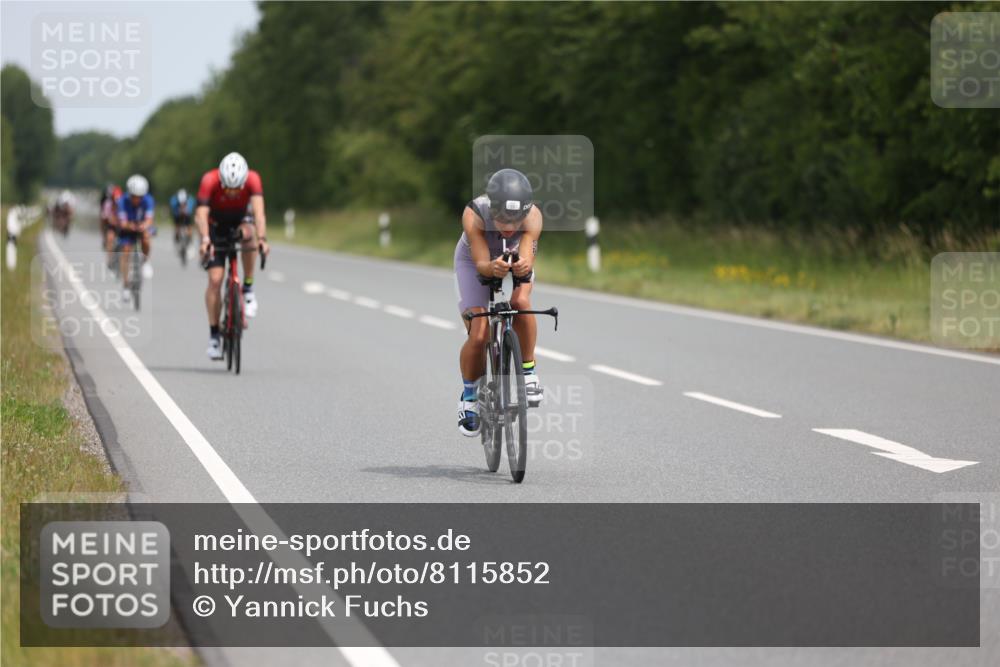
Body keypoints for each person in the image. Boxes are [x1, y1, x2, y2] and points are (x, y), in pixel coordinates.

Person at [454, 168, 543, 436]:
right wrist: (491, 268)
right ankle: (469, 396)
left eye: (515, 219)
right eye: (502, 217)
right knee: (479, 332)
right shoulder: (474, 214)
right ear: (491, 208)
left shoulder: (534, 216)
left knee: (521, 301)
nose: (508, 225)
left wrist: (521, 266)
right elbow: (481, 263)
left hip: (511, 258)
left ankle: (528, 372)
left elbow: (526, 257)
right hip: (474, 262)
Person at [195, 152, 269, 360]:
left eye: (237, 188)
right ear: (221, 180)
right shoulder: (209, 180)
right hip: (215, 225)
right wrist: (205, 239)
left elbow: (259, 213)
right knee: (215, 280)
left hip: (240, 220)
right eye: (228, 187)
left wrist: (262, 238)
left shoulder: (253, 179)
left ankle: (247, 287)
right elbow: (201, 215)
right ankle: (214, 337)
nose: (232, 192)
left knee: (250, 235)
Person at [116, 174, 155, 300]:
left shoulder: (148, 200)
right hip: (128, 227)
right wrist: (130, 226)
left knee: (146, 237)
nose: (136, 199)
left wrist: (144, 226)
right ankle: (126, 285)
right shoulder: (122, 201)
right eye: (134, 196)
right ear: (129, 194)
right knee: (125, 251)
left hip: (141, 225)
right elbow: (122, 222)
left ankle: (146, 261)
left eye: (140, 197)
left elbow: (149, 219)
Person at [99, 184, 121, 265]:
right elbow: (106, 217)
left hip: (123, 227)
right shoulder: (107, 204)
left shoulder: (124, 204)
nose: (116, 203)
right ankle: (110, 258)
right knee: (110, 237)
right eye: (115, 200)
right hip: (112, 226)